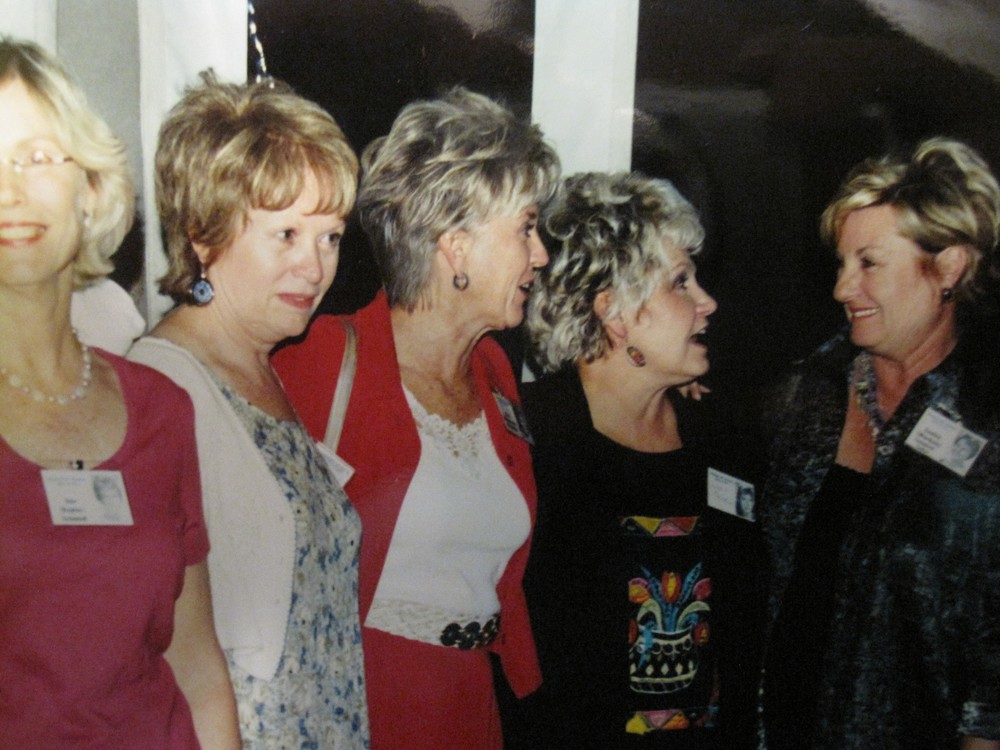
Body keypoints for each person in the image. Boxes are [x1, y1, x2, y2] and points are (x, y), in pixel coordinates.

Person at [272, 87, 560, 750]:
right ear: (455, 246)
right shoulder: (321, 361)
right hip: (368, 704)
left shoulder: (493, 370)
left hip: (472, 702)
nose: (541, 253)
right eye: (525, 228)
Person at [0, 37, 239, 749]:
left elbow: (195, 662)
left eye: (39, 156)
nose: (10, 190)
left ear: (91, 189)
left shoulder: (161, 408)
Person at [127, 73, 369, 748]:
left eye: (329, 237)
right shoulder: (163, 386)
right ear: (204, 234)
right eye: (285, 233)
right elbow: (162, 646)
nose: (314, 267)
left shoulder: (262, 370)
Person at [758, 137, 1000, 750]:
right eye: (842, 264)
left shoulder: (987, 418)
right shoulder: (804, 394)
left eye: (869, 263)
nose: (843, 288)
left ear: (949, 268)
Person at [508, 171, 762, 749]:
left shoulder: (723, 438)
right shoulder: (533, 439)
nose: (707, 303)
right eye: (680, 282)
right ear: (616, 313)